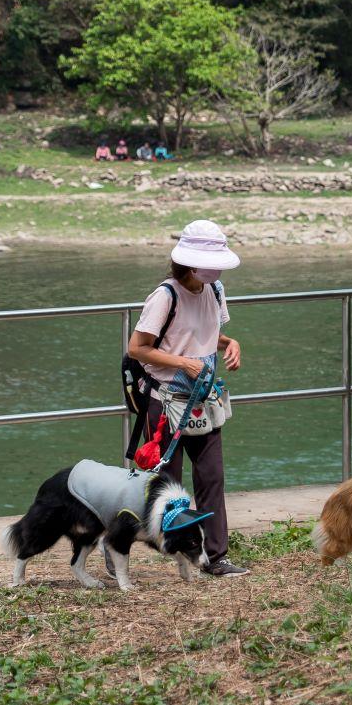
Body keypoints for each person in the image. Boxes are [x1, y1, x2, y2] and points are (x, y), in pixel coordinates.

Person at [126, 219, 246, 577]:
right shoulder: (166, 296)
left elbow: (207, 334)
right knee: (166, 484)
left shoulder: (215, 290)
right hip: (164, 402)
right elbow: (137, 348)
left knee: (211, 477)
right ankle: (136, 544)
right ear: (191, 263)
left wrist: (231, 343)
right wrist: (180, 362)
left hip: (202, 400)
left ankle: (216, 555)